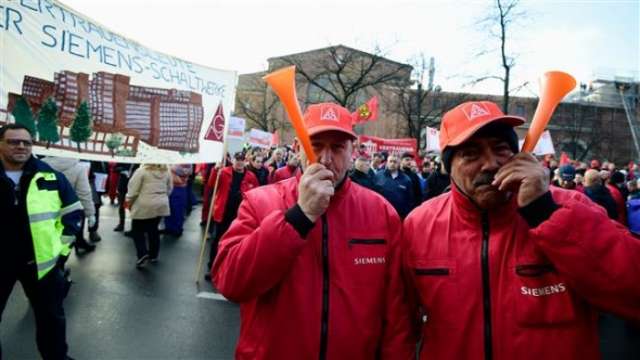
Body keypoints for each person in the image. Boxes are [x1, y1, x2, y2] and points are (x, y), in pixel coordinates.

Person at [402, 101, 640, 359]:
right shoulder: (418, 225)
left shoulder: (569, 207)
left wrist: (544, 212)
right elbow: (400, 327)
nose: (490, 164)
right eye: (471, 153)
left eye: (501, 149)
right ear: (448, 167)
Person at [212, 103, 415, 360]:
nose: (326, 158)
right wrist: (299, 216)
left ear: (353, 151)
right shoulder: (258, 201)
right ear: (298, 148)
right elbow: (231, 283)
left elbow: (397, 315)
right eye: (316, 145)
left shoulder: (382, 212)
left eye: (338, 147)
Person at [0, 124, 83, 359]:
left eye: (26, 142)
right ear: (1, 144)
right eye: (14, 141)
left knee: (51, 318)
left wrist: (62, 252)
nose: (21, 146)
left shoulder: (51, 176)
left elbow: (73, 213)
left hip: (40, 262)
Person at [204, 152, 259, 281]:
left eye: (242, 160)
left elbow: (255, 193)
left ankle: (228, 268)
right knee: (217, 240)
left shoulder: (251, 176)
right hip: (222, 213)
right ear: (233, 160)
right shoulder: (223, 172)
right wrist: (215, 170)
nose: (239, 162)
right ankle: (212, 267)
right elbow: (212, 185)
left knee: (235, 243)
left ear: (245, 161)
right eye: (237, 159)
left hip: (240, 216)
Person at [42, 156, 97, 253]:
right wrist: (90, 213)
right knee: (66, 239)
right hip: (69, 211)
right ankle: (62, 263)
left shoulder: (40, 164)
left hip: (44, 209)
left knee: (45, 240)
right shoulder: (79, 168)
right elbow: (83, 193)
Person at [126, 163, 172, 267]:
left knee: (137, 230)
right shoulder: (166, 171)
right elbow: (169, 188)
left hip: (144, 203)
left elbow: (133, 190)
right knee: (153, 229)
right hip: (161, 203)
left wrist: (129, 201)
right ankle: (153, 255)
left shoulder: (141, 171)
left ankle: (142, 253)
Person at [375, 154, 414, 218]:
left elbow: (410, 200)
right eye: (390, 161)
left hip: (398, 215)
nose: (392, 164)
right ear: (387, 163)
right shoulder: (378, 176)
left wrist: (406, 214)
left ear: (399, 163)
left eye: (395, 162)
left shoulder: (406, 180)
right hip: (381, 214)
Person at [164, 164, 192, 237]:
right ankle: (169, 227)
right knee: (169, 208)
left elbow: (186, 171)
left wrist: (170, 167)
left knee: (178, 210)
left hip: (179, 187)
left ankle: (177, 229)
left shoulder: (187, 161)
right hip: (172, 186)